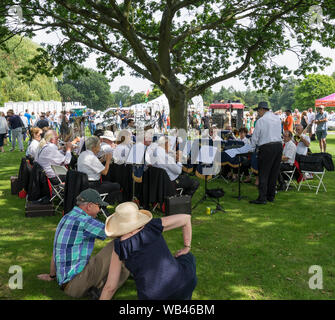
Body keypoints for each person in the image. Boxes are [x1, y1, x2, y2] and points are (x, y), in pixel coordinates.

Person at [37, 188, 130, 299]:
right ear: (89, 206)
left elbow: (55, 250)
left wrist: (52, 276)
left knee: (121, 262)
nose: (100, 210)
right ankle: (103, 289)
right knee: (119, 243)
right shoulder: (84, 221)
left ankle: (116, 277)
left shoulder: (65, 217)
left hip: (65, 284)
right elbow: (114, 232)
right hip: (77, 284)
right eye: (99, 206)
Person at [100, 202, 197, 300]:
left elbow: (110, 287)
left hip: (153, 296)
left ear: (118, 225)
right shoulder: (152, 226)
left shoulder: (120, 247)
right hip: (183, 283)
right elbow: (185, 218)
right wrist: (187, 247)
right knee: (188, 257)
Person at [249, 101, 282, 204]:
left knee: (263, 173)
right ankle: (270, 196)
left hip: (267, 148)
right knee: (273, 173)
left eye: (258, 110)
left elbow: (255, 137)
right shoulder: (277, 118)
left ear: (262, 109)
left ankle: (262, 198)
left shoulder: (261, 120)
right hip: (278, 146)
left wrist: (251, 148)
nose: (258, 112)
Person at [77, 135, 120, 205]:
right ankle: (103, 205)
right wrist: (108, 161)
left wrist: (102, 159)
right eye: (99, 145)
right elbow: (105, 172)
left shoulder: (83, 154)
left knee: (108, 183)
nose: (100, 147)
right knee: (116, 185)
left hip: (84, 184)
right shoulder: (91, 157)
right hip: (93, 186)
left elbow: (91, 165)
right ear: (94, 147)